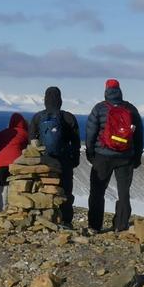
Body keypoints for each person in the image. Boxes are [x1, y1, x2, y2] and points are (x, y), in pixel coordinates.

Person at [84, 78, 144, 233]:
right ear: (120, 91)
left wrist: (90, 153)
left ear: (106, 91)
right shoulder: (130, 109)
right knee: (123, 192)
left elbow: (90, 132)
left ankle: (95, 226)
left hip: (102, 156)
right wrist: (137, 156)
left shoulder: (99, 109)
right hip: (125, 157)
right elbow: (138, 135)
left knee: (97, 192)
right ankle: (120, 225)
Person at [30, 85, 81, 227]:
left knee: (44, 188)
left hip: (44, 161)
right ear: (60, 100)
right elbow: (75, 141)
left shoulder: (38, 117)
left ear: (45, 100)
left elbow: (32, 141)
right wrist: (75, 159)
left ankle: (44, 219)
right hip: (64, 160)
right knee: (65, 190)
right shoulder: (68, 117)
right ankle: (65, 220)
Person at [0, 112, 29, 210]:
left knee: (3, 184)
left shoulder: (1, 133)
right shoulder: (24, 133)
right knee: (15, 186)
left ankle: (1, 210)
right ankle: (14, 210)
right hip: (15, 164)